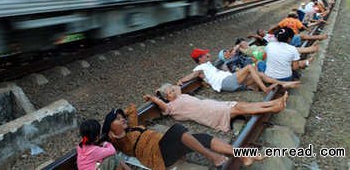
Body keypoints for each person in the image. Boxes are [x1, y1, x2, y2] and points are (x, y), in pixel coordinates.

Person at [102, 105, 263, 170]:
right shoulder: (118, 140)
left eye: (121, 117)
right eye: (117, 119)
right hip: (157, 156)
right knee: (178, 130)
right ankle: (215, 158)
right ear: (111, 130)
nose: (122, 119)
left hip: (166, 146)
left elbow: (132, 109)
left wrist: (120, 115)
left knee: (202, 137)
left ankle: (244, 156)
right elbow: (107, 148)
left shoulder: (132, 127)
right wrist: (111, 133)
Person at [144, 83, 288, 132]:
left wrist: (162, 89)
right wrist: (154, 97)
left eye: (171, 90)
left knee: (241, 105)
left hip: (212, 105)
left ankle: (273, 103)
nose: (172, 92)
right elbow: (163, 105)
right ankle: (273, 108)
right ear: (166, 98)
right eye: (169, 93)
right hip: (209, 114)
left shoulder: (179, 95)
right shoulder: (170, 107)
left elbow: (177, 86)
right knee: (239, 109)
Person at [177, 48, 300, 93]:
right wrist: (181, 81)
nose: (208, 55)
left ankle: (283, 83)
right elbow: (192, 75)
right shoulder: (199, 68)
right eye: (205, 54)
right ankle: (265, 89)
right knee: (250, 67)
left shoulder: (207, 64)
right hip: (225, 82)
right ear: (200, 58)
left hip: (229, 79)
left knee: (260, 74)